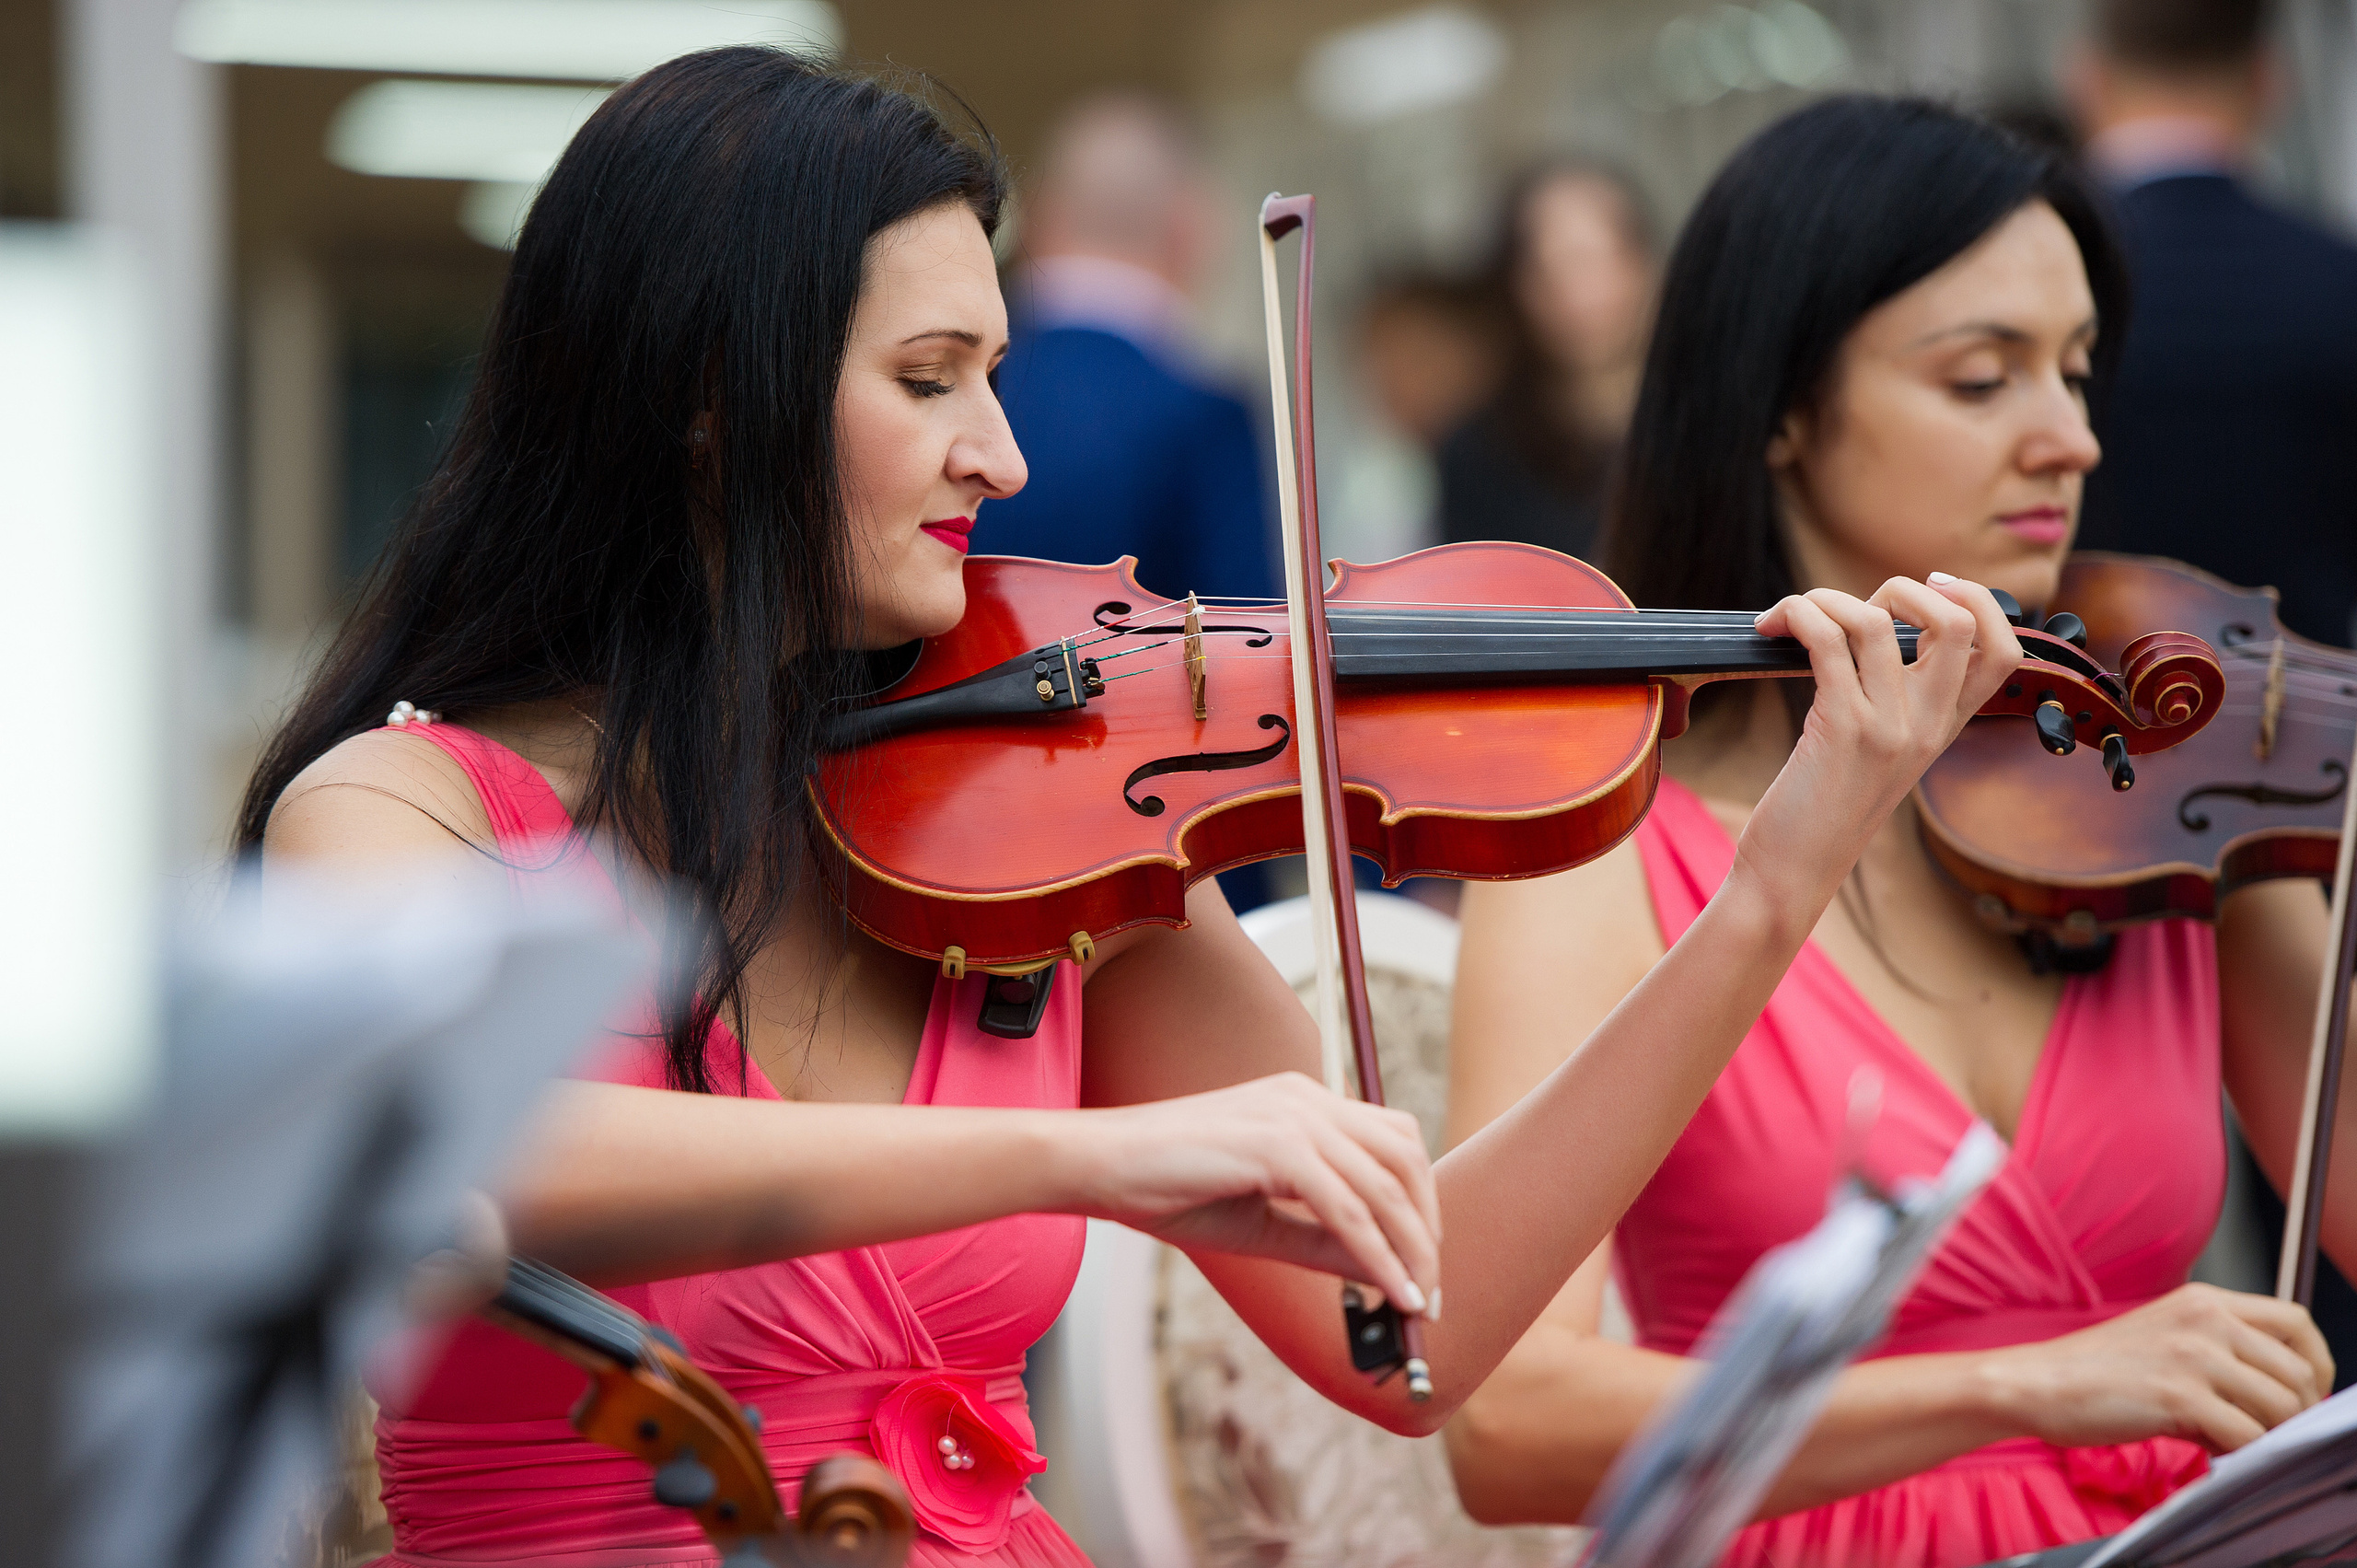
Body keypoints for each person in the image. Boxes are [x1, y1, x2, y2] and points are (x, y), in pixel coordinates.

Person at [245, 53, 2023, 1568]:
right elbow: (475, 1150)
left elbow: (1420, 1331)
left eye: (993, 376)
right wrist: (1095, 1153)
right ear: (715, 403)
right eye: (931, 378)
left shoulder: (1041, 838)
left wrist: (1776, 883)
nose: (1001, 454)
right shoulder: (404, 812)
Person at [1444, 97, 2345, 1568]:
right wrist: (2020, 1388)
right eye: (1985, 378)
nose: (2072, 436)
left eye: (2076, 370)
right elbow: (1500, 1421)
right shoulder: (1600, 844)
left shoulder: (2166, 786)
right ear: (1783, 410)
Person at [2071, 0, 2357, 649]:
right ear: (2268, 81)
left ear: (2084, 79)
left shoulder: (2025, 277)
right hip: (2301, 724)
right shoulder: (2340, 279)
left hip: (2065, 719)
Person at [980, 92, 1277, 606]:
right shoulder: (1206, 415)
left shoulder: (953, 390)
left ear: (1034, 218)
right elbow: (1251, 640)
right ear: (1188, 231)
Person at [1436, 158, 1656, 563]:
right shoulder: (1478, 452)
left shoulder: (1713, 418)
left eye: (1588, 259)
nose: (1571, 290)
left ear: (1642, 264)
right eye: (1543, 268)